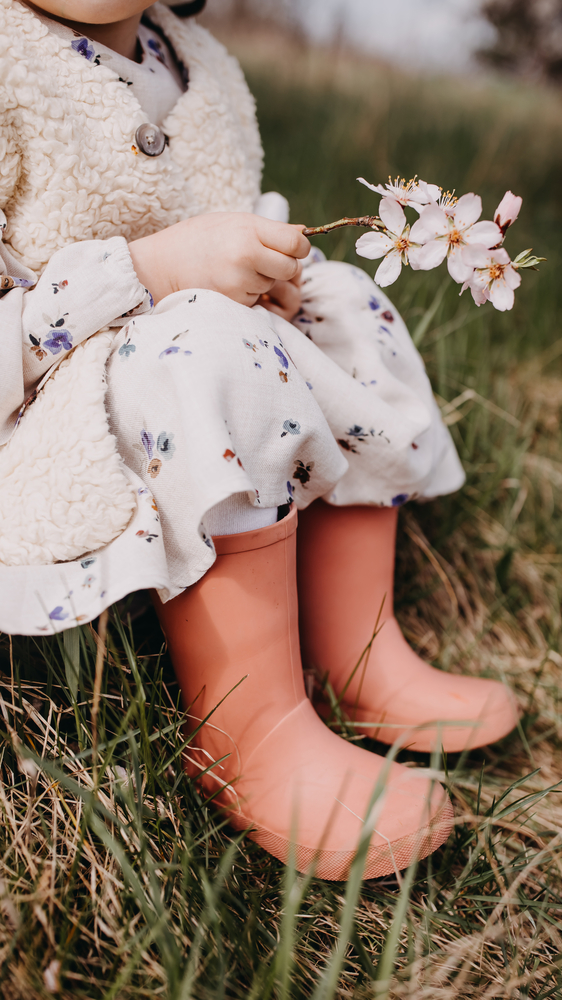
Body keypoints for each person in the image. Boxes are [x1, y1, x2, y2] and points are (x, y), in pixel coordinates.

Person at [0, 0, 518, 880]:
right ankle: (255, 729)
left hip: (185, 374)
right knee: (201, 331)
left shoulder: (202, 69)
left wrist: (270, 285)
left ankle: (356, 648)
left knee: (343, 300)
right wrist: (148, 273)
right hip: (49, 426)